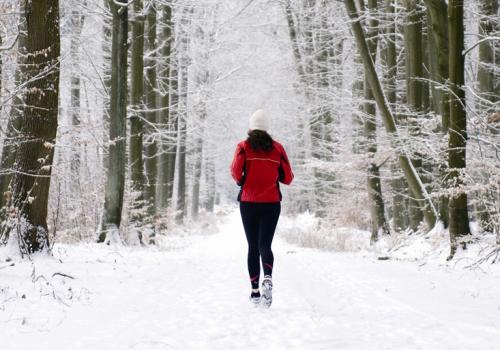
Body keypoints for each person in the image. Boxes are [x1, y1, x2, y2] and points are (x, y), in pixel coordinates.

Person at [230, 109, 294, 308]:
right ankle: (268, 277)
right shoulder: (277, 148)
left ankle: (255, 292)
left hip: (249, 203)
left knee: (252, 247)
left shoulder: (243, 147)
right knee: (265, 245)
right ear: (267, 128)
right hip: (271, 203)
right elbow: (288, 177)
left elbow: (235, 172)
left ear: (251, 127)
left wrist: (243, 180)